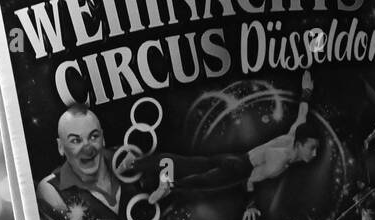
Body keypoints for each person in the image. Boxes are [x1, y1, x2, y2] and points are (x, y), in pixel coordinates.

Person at [132, 71, 320, 204]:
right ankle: (167, 185)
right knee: (202, 181)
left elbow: (302, 114)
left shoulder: (293, 135)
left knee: (191, 164)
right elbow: (252, 179)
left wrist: (306, 92)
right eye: (312, 148)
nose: (314, 153)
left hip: (237, 160)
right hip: (239, 169)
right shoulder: (281, 160)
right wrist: (250, 188)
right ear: (300, 144)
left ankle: (136, 164)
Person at [37, 105, 128, 220]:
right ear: (61, 147)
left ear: (103, 138)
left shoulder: (127, 161)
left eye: (94, 136)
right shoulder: (51, 190)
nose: (87, 149)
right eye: (75, 140)